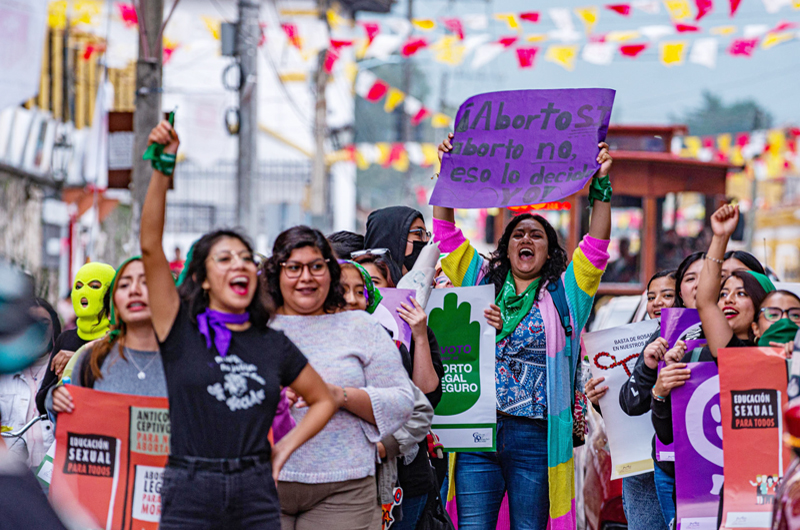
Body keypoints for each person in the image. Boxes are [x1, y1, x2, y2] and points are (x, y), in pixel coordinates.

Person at [140, 120, 336, 529]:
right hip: (190, 486)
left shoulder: (272, 343)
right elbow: (150, 245)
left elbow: (324, 400)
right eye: (225, 258)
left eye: (246, 257)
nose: (239, 264)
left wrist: (282, 451)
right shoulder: (178, 328)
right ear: (204, 277)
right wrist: (162, 170)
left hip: (255, 488)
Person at [434, 133, 613, 529]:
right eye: (518, 234)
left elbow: (597, 245)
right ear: (506, 247)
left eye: (537, 235)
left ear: (550, 252)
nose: (526, 238)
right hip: (477, 435)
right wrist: (447, 171)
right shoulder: (478, 281)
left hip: (536, 439)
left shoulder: (567, 294)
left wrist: (601, 185)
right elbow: (446, 234)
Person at [263, 225, 414, 530]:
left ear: (331, 273)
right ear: (276, 273)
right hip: (261, 485)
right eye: (293, 267)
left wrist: (341, 396)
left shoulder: (360, 326)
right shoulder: (253, 329)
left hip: (343, 488)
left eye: (316, 267)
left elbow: (402, 402)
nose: (306, 277)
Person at [337, 258, 437, 530]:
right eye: (342, 290)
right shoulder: (300, 344)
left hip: (384, 485)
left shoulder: (383, 345)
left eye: (361, 291)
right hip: (320, 486)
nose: (353, 299)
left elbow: (421, 408)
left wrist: (385, 446)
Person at [586, 270, 676, 530]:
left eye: (667, 295)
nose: (657, 302)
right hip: (641, 466)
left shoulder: (698, 342)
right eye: (651, 297)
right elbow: (626, 410)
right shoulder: (634, 345)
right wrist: (599, 401)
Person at [47, 257, 167, 420]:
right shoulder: (91, 357)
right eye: (124, 285)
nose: (134, 290)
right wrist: (55, 399)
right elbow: (65, 418)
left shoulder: (182, 359)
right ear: (111, 307)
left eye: (145, 282)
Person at [36, 261, 115, 414]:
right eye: (78, 286)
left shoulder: (117, 338)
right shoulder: (65, 339)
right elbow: (41, 402)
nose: (84, 291)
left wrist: (77, 360)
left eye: (94, 286)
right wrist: (58, 387)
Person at [0, 298, 59, 469]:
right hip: (12, 476)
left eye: (44, 322)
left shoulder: (64, 369)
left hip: (52, 476)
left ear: (54, 326)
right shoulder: (5, 372)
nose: (37, 330)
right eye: (30, 322)